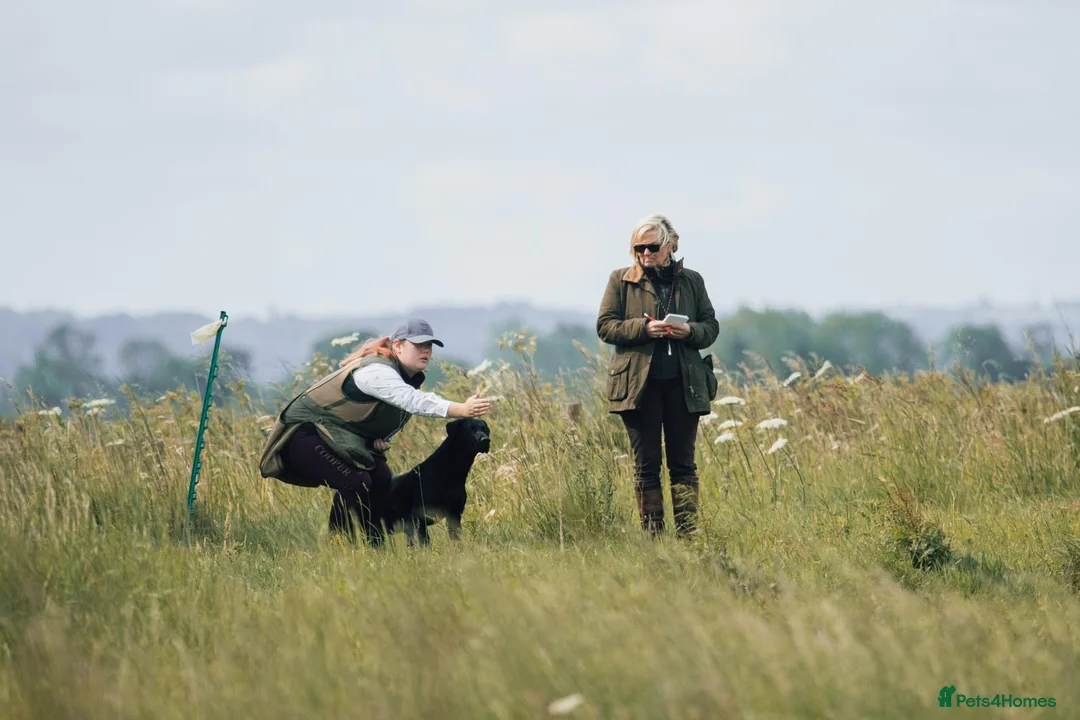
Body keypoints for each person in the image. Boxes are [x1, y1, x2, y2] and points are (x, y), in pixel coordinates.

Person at [258, 318, 490, 545]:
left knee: (381, 478)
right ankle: (339, 545)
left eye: (429, 345)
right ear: (397, 345)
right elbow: (410, 400)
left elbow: (365, 416)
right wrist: (460, 409)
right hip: (300, 435)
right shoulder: (376, 371)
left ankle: (374, 545)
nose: (426, 351)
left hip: (332, 436)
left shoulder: (404, 377)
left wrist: (376, 440)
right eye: (418, 344)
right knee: (356, 481)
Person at [596, 214, 720, 537]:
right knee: (646, 466)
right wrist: (645, 329)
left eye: (652, 247)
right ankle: (654, 540)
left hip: (684, 385)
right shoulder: (620, 280)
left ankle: (688, 537)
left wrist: (689, 331)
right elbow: (605, 326)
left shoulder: (692, 281)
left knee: (683, 465)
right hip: (639, 388)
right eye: (639, 248)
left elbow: (711, 328)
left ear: (670, 246)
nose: (646, 254)